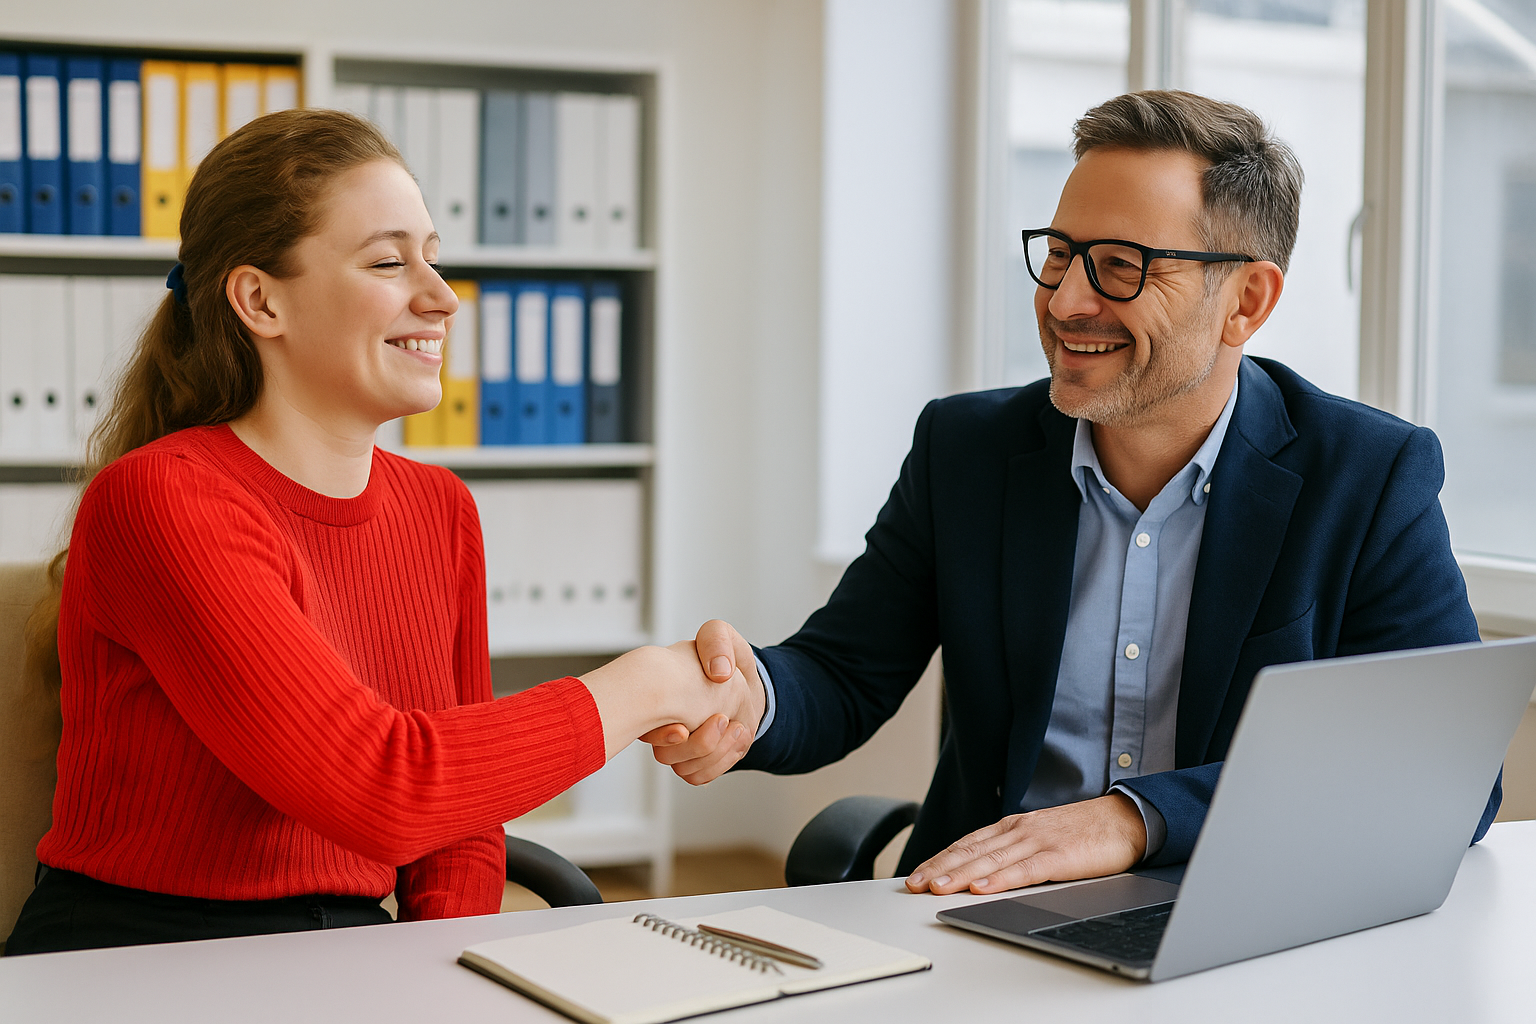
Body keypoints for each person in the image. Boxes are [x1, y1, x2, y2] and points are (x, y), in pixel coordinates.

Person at [656, 90, 1499, 895]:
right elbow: (845, 673)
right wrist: (752, 698)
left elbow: (1445, 774)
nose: (1064, 301)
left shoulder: (1367, 476)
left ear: (1246, 301)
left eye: (1121, 267)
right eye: (1059, 254)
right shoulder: (966, 450)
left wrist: (1135, 821)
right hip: (978, 908)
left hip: (1232, 916)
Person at [6, 109, 760, 955]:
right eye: (390, 262)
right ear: (260, 300)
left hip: (354, 950)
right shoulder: (161, 498)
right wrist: (649, 686)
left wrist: (433, 973)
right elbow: (379, 784)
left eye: (432, 256)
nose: (442, 298)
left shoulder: (440, 509)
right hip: (142, 956)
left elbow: (459, 825)